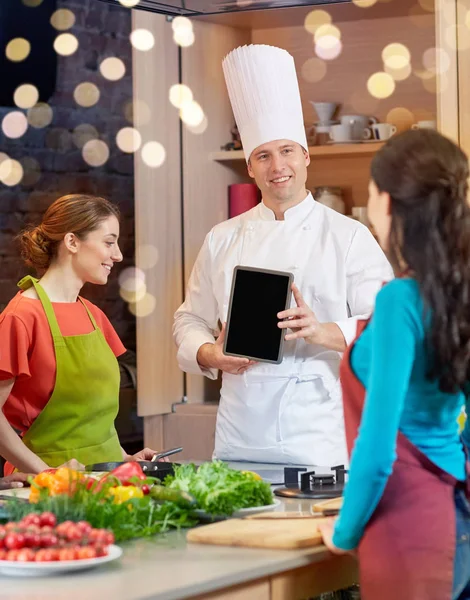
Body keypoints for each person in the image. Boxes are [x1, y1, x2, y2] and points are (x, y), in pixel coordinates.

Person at [173, 44, 392, 466]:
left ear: (306, 157)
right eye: (263, 155)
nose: (278, 166)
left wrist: (321, 329)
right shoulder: (222, 238)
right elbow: (190, 318)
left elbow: (384, 326)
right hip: (240, 432)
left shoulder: (349, 235)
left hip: (319, 434)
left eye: (288, 151)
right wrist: (208, 353)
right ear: (250, 167)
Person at [319, 129, 470, 600]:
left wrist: (344, 532)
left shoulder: (400, 301)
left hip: (406, 527)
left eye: (370, 193)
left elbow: (378, 447)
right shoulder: (458, 295)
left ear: (387, 202)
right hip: (455, 513)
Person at [0, 194, 162, 475]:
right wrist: (44, 473)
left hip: (107, 478)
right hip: (51, 489)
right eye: (109, 242)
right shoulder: (22, 317)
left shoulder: (93, 315)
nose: (118, 255)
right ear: (72, 242)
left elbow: (92, 415)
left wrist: (125, 458)